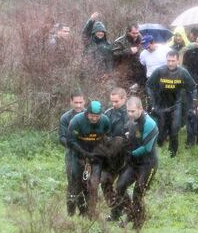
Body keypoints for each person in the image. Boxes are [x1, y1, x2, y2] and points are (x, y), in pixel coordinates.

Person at [109, 96, 159, 229]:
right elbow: (130, 137)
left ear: (140, 109)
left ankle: (138, 223)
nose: (130, 114)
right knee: (120, 186)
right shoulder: (131, 121)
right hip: (133, 163)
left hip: (148, 164)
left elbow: (147, 148)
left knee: (138, 193)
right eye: (128, 111)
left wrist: (130, 154)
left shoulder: (150, 123)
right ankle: (130, 212)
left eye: (132, 111)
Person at [147, 50, 196, 157]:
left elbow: (192, 88)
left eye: (173, 61)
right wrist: (153, 101)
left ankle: (172, 153)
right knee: (161, 129)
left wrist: (192, 103)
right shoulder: (159, 71)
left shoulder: (183, 72)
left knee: (174, 129)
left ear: (178, 61)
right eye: (168, 61)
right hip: (161, 104)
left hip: (176, 104)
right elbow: (149, 85)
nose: (170, 63)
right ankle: (159, 147)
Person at [67, 100, 110, 218]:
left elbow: (107, 136)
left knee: (93, 185)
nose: (94, 119)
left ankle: (89, 214)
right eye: (92, 116)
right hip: (79, 155)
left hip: (96, 157)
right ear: (87, 113)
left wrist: (102, 152)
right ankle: (72, 212)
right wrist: (84, 153)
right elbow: (70, 141)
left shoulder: (105, 120)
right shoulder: (77, 121)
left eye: (97, 116)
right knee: (76, 184)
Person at [58, 91, 86, 216]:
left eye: (81, 102)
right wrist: (74, 145)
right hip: (71, 155)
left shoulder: (90, 116)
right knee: (73, 183)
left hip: (87, 156)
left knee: (86, 183)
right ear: (71, 102)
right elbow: (62, 138)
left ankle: (85, 212)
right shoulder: (65, 118)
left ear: (84, 102)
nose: (79, 105)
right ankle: (71, 212)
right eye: (76, 103)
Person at [101, 88, 128, 208]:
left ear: (124, 99)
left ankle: (130, 210)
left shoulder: (131, 113)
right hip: (110, 156)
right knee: (105, 180)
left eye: (116, 101)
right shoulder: (108, 113)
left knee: (121, 185)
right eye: (112, 101)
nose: (114, 104)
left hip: (126, 156)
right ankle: (114, 208)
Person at [112, 23, 146, 90]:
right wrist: (128, 51)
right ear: (128, 31)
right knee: (125, 92)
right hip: (125, 72)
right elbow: (114, 54)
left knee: (139, 94)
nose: (136, 35)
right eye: (133, 33)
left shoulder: (142, 40)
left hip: (140, 72)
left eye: (137, 33)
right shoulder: (120, 41)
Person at [82, 12, 114, 81]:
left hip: (103, 76)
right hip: (88, 75)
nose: (100, 33)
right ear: (94, 32)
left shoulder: (108, 44)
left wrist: (108, 73)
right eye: (98, 31)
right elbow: (85, 33)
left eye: (102, 31)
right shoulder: (88, 42)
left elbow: (110, 60)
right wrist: (91, 20)